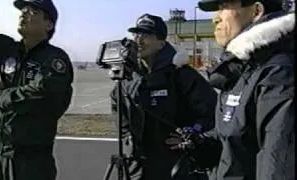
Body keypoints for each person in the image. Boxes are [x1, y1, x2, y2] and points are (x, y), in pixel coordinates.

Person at [166, 0, 295, 179]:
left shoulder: (280, 73)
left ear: (256, 10)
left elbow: (279, 162)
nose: (215, 19)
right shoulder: (242, 70)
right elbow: (236, 144)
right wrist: (201, 143)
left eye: (223, 7)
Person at [110, 13, 217, 180]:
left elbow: (212, 112)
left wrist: (192, 134)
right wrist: (126, 135)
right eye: (136, 34)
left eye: (146, 35)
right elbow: (117, 103)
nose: (138, 39)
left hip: (176, 165)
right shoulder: (129, 76)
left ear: (161, 43)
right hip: (138, 167)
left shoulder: (181, 75)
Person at [0, 0, 73, 180]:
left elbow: (43, 95)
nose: (24, 13)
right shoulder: (6, 49)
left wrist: (1, 96)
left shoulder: (54, 58)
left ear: (49, 24)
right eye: (23, 9)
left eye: (33, 11)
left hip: (29, 160)